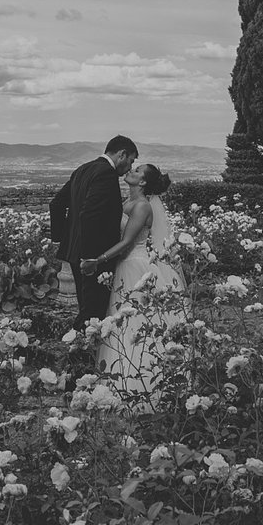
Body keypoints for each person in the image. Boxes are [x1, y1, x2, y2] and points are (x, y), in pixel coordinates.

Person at [91, 163, 185, 400]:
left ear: (142, 182)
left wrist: (97, 259)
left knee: (134, 323)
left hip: (135, 266)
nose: (130, 171)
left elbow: (127, 242)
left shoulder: (142, 206)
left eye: (137, 171)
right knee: (122, 321)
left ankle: (140, 384)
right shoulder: (127, 203)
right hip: (124, 264)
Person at [50, 135, 138, 333]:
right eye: (131, 160)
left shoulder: (83, 169)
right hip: (92, 257)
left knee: (86, 308)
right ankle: (79, 354)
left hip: (75, 253)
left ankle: (82, 351)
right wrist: (90, 257)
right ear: (122, 154)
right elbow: (89, 214)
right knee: (93, 313)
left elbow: (56, 204)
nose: (130, 167)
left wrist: (63, 240)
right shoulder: (106, 174)